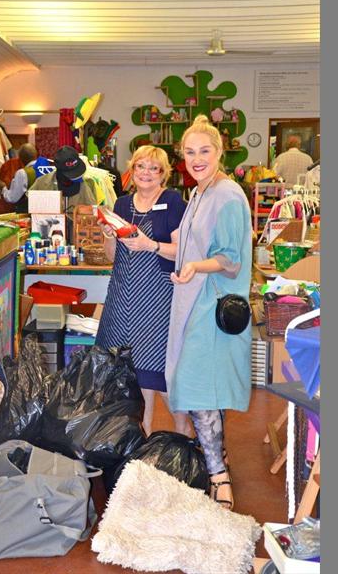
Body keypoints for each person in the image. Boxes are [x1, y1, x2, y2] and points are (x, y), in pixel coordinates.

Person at [166, 115, 253, 510]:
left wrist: (194, 267)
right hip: (195, 302)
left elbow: (230, 259)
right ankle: (217, 454)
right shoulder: (200, 192)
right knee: (206, 388)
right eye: (190, 152)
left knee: (197, 388)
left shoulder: (228, 195)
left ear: (220, 153)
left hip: (213, 306)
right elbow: (195, 244)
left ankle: (219, 477)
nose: (197, 159)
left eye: (204, 151)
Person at [95, 146, 192, 437]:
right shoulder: (122, 204)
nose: (146, 173)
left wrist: (150, 245)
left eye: (154, 168)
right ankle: (142, 435)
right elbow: (112, 256)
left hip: (156, 298)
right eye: (141, 166)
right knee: (129, 372)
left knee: (159, 370)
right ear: (132, 170)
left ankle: (184, 435)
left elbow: (183, 252)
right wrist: (108, 236)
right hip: (122, 295)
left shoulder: (172, 202)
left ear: (163, 174)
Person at [28, 145, 97, 213]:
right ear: (59, 169)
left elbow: (94, 211)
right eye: (70, 173)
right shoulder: (41, 183)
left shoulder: (86, 183)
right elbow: (30, 206)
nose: (74, 177)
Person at [0, 143, 37, 213]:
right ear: (36, 155)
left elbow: (12, 198)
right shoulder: (49, 168)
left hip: (27, 213)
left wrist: (3, 187)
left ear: (20, 158)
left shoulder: (22, 173)